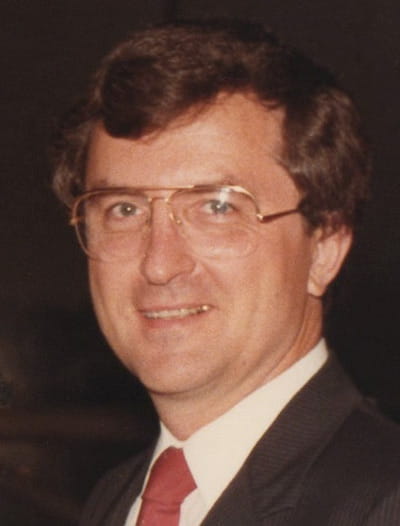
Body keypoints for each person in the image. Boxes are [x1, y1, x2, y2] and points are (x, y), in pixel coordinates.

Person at [52, 19, 400, 525]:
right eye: (124, 209)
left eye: (217, 207)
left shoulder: (382, 503)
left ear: (324, 248)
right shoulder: (114, 500)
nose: (159, 263)